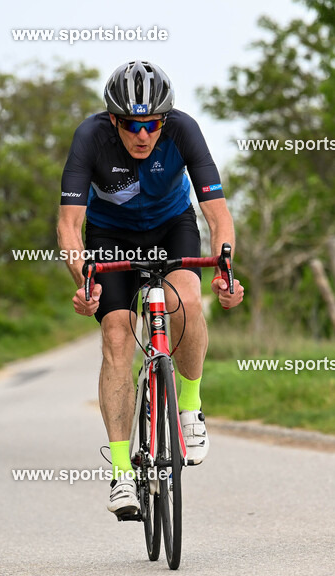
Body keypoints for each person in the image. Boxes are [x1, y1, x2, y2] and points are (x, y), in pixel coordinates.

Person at [56, 59, 244, 518]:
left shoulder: (184, 130)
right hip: (110, 236)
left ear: (166, 119)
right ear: (113, 120)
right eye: (131, 125)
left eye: (153, 124)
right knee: (117, 335)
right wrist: (84, 281)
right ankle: (122, 472)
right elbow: (70, 225)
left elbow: (217, 214)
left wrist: (225, 269)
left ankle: (190, 408)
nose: (143, 135)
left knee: (188, 301)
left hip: (171, 226)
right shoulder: (90, 137)